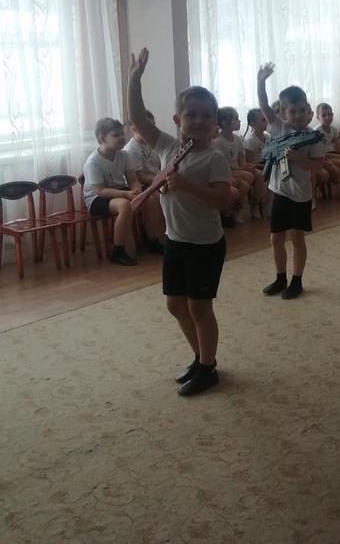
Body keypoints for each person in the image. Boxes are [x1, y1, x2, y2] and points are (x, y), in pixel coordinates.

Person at [128, 47, 232, 397]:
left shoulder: (215, 159)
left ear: (215, 123)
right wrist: (134, 79)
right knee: (175, 305)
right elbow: (138, 118)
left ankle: (208, 368)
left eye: (206, 116)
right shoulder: (167, 147)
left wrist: (186, 184)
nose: (198, 121)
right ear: (177, 119)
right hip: (176, 240)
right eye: (191, 115)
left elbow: (222, 200)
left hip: (205, 245)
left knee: (200, 308)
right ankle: (200, 358)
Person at [257, 62, 325, 299]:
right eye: (292, 112)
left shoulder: (314, 137)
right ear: (283, 113)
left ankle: (297, 281)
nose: (298, 116)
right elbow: (263, 105)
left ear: (308, 110)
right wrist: (260, 81)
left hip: (300, 195)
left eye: (302, 110)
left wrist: (298, 159)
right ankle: (280, 278)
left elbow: (318, 167)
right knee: (275, 238)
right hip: (280, 191)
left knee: (297, 238)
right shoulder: (278, 128)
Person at [83, 117, 164, 265]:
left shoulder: (124, 155)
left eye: (122, 134)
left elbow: (133, 180)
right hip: (96, 198)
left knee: (150, 200)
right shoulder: (93, 162)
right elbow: (100, 191)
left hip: (119, 191)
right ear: (101, 139)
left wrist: (137, 191)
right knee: (124, 206)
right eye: (116, 135)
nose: (122, 138)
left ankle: (154, 241)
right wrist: (126, 194)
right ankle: (118, 251)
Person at [214, 107, 255, 224]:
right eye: (236, 119)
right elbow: (224, 165)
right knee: (247, 177)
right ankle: (228, 211)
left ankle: (233, 210)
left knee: (247, 181)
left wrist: (246, 166)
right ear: (224, 123)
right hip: (227, 171)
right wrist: (242, 168)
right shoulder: (218, 141)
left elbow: (241, 161)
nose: (239, 121)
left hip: (236, 169)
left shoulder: (237, 139)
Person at [125, 109, 160, 187]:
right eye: (147, 127)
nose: (153, 130)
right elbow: (141, 178)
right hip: (144, 186)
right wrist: (163, 181)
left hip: (157, 181)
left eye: (153, 125)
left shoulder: (153, 142)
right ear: (134, 129)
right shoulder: (130, 150)